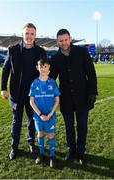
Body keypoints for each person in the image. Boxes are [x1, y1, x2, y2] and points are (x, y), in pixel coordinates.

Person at [49, 29, 98, 164]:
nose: (64, 43)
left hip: (83, 96)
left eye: (66, 39)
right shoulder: (55, 58)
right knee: (69, 127)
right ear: (57, 42)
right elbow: (52, 79)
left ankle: (81, 152)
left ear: (70, 38)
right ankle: (71, 150)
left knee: (82, 126)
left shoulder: (82, 52)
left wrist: (92, 91)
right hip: (66, 99)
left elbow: (91, 73)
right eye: (61, 41)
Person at [1, 23, 46, 160]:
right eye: (27, 33)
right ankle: (14, 148)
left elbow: (44, 71)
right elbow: (5, 69)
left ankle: (31, 143)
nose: (29, 36)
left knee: (32, 121)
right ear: (22, 34)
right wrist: (3, 88)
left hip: (33, 94)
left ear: (35, 35)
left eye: (32, 34)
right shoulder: (13, 49)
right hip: (16, 94)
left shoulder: (40, 51)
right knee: (16, 121)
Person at [29, 58, 60, 168]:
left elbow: (57, 100)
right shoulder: (34, 83)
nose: (43, 69)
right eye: (41, 67)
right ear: (37, 68)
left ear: (49, 68)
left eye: (45, 66)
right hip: (39, 117)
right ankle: (41, 154)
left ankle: (52, 156)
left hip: (50, 115)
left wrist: (50, 114)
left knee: (51, 134)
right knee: (40, 133)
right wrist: (41, 115)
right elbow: (31, 101)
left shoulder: (52, 82)